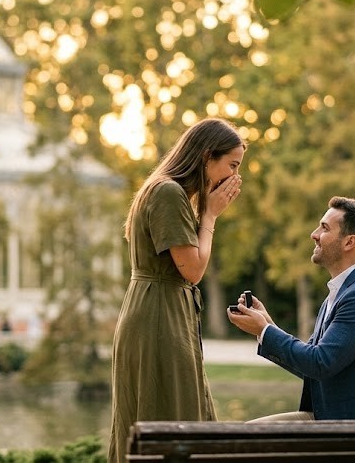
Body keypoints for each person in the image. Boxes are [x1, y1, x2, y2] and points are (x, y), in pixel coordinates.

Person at [108, 118, 245, 463]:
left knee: (176, 410)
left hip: (162, 310)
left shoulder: (169, 192)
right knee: (166, 414)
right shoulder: (168, 192)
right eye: (231, 165)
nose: (233, 177)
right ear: (205, 157)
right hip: (158, 317)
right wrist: (210, 216)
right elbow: (194, 270)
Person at [228, 196, 355, 421]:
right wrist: (267, 325)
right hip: (337, 417)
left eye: (324, 228)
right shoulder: (345, 288)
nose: (314, 234)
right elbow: (313, 364)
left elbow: (320, 363)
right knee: (249, 433)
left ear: (349, 242)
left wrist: (265, 331)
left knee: (248, 438)